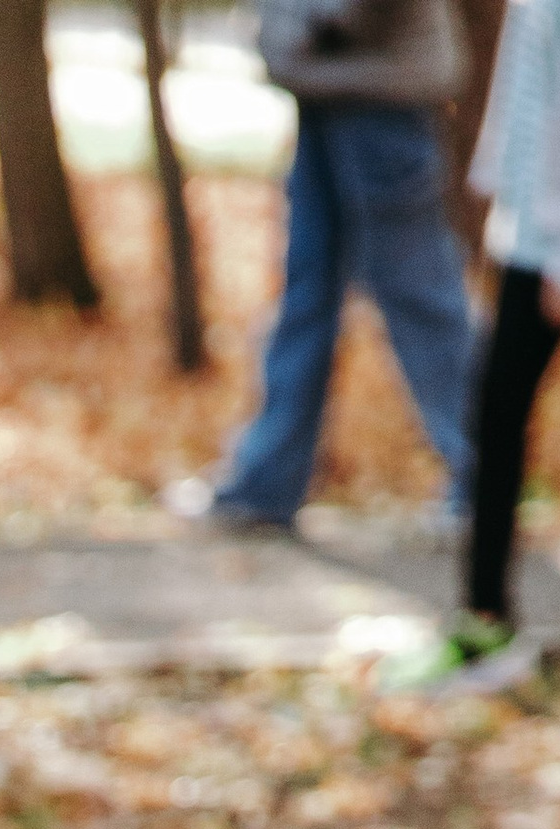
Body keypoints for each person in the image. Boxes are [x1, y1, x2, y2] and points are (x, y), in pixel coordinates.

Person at [386, 0, 560, 685]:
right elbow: (529, 91)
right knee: (496, 423)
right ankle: (485, 621)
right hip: (537, 239)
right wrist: (498, 193)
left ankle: (487, 621)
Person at [184, 0, 476, 531]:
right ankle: (266, 483)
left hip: (384, 101)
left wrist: (315, 20)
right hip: (328, 96)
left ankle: (483, 476)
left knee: (422, 300)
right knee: (305, 297)